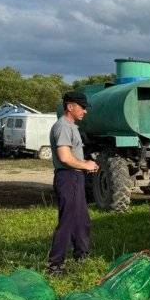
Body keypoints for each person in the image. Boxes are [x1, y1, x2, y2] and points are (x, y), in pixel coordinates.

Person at [47, 91, 98, 276]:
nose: (85, 111)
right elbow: (65, 157)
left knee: (81, 220)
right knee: (68, 221)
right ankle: (55, 265)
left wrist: (85, 166)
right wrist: (86, 164)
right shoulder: (63, 127)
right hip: (67, 177)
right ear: (70, 107)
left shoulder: (72, 126)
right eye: (82, 107)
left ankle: (81, 256)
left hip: (75, 177)